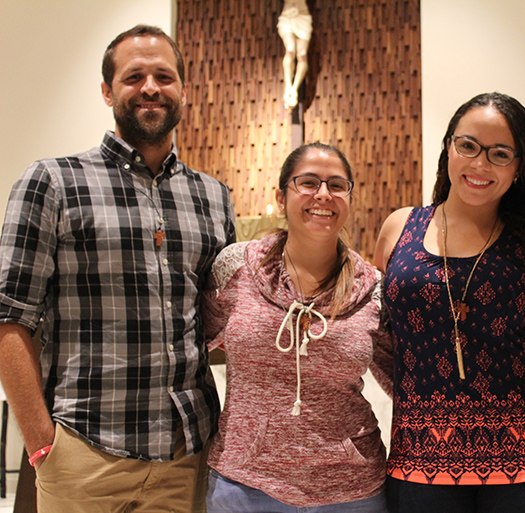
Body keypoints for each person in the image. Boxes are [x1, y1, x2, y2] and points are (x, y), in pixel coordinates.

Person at [0, 25, 236, 512]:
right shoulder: (53, 182)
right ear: (108, 91)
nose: (150, 87)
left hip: (184, 456)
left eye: (164, 77)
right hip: (85, 450)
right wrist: (41, 442)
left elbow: (222, 319)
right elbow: (9, 317)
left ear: (184, 92)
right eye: (134, 77)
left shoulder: (213, 197)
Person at [374, 92, 525, 513]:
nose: (479, 164)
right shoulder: (399, 228)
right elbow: (379, 339)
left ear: (518, 168)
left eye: (499, 154)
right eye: (468, 145)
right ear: (449, 147)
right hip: (419, 462)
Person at [203, 142, 393, 513]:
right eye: (308, 182)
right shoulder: (236, 268)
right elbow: (188, 350)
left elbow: (405, 383)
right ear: (281, 194)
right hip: (244, 485)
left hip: (352, 491)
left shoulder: (373, 289)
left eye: (337, 185)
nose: (323, 194)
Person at [277, 0, 313, 109]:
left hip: (302, 16)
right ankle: (288, 86)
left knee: (302, 54)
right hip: (287, 16)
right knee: (290, 50)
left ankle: (294, 88)